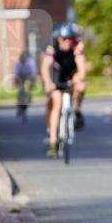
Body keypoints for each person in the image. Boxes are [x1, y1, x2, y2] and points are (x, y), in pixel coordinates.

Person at [40, 23, 87, 157]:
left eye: (70, 39)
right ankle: (53, 142)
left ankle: (78, 110)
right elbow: (45, 67)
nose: (67, 42)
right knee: (57, 102)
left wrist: (78, 78)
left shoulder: (78, 45)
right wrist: (48, 82)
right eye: (64, 39)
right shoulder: (52, 45)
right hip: (58, 75)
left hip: (72, 72)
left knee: (81, 86)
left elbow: (82, 67)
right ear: (59, 38)